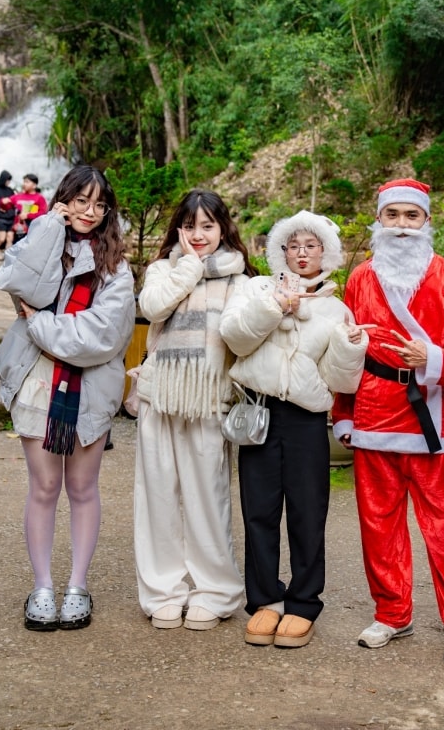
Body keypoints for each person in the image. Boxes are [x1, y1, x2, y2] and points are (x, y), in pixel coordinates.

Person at [331, 178, 444, 664]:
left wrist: (432, 356)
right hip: (373, 406)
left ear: (427, 222)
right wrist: (343, 413)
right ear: (379, 220)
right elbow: (346, 354)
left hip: (429, 412)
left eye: (411, 216)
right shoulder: (359, 278)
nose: (401, 226)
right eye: (392, 216)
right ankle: (392, 612)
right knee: (378, 523)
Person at [0, 164, 135, 632]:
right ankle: (42, 586)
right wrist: (49, 227)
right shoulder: (46, 241)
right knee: (44, 487)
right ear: (64, 200)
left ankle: (77, 584)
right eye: (80, 202)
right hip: (37, 381)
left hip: (89, 387)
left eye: (98, 204)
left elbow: (100, 336)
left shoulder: (116, 266)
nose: (90, 212)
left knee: (81, 488)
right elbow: (20, 284)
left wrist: (39, 324)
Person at [220, 211, 368, 649]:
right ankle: (265, 600)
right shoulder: (256, 289)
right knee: (258, 511)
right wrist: (276, 306)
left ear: (325, 252)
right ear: (280, 251)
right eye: (294, 246)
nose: (302, 254)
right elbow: (235, 338)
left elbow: (342, 382)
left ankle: (303, 602)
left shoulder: (336, 308)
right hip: (260, 414)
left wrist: (350, 347)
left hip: (305, 421)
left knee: (307, 514)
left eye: (311, 245)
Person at [132, 189, 257, 632]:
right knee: (158, 496)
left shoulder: (241, 281)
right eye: (189, 226)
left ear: (223, 228)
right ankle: (163, 591)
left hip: (208, 400)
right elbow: (152, 308)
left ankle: (215, 590)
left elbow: (240, 336)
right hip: (159, 396)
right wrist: (189, 268)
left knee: (208, 497)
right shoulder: (161, 269)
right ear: (178, 230)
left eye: (207, 225)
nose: (198, 234)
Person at [12, 174, 49, 243]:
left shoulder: (39, 198)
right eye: (24, 182)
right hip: (19, 229)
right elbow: (7, 203)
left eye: (27, 182)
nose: (24, 184)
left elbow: (43, 213)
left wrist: (27, 215)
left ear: (34, 185)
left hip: (33, 229)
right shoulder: (18, 196)